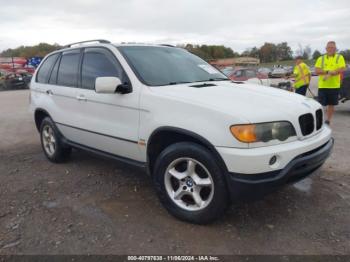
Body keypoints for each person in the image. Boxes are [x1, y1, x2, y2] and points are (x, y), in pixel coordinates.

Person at [315, 41, 346, 125]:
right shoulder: (320, 59)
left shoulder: (339, 57)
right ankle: (319, 120)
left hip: (334, 86)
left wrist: (334, 72)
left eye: (332, 47)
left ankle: (328, 120)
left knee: (331, 104)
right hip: (323, 86)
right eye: (329, 47)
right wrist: (328, 71)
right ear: (326, 48)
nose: (330, 49)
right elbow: (317, 71)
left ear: (335, 49)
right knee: (320, 104)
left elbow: (342, 68)